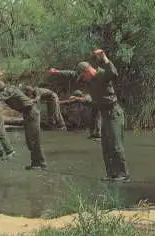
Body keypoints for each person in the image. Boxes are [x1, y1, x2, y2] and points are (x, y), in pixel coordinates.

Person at [48, 49, 130, 182]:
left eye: (83, 76)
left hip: (114, 113)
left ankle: (124, 174)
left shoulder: (102, 75)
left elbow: (113, 72)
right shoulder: (88, 79)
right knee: (106, 146)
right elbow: (72, 74)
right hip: (105, 114)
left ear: (87, 71)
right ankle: (112, 174)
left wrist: (104, 57)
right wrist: (57, 72)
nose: (82, 80)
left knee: (116, 145)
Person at [0, 80, 47, 171]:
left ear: (0, 89)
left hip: (32, 113)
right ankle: (35, 163)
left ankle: (41, 164)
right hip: (27, 114)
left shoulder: (10, 90)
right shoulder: (8, 91)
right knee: (30, 142)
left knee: (34, 140)